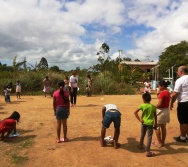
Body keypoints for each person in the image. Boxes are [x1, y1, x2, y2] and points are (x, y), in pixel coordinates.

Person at [134, 92, 157, 157]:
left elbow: (135, 112)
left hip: (143, 122)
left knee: (142, 134)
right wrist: (156, 123)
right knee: (149, 137)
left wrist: (139, 119)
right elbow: (155, 116)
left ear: (143, 99)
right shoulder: (153, 107)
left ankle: (141, 145)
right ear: (150, 99)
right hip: (150, 123)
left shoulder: (142, 105)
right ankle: (147, 151)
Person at [170, 66, 188, 142]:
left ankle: (183, 137)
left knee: (183, 121)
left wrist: (171, 102)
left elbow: (175, 93)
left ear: (181, 72)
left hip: (183, 102)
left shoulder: (180, 80)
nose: (177, 72)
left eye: (177, 71)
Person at [152, 80, 171, 148]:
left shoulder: (163, 93)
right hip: (166, 110)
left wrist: (153, 107)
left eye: (159, 86)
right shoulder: (168, 92)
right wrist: (158, 93)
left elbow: (159, 104)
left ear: (162, 86)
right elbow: (160, 98)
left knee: (156, 127)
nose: (158, 87)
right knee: (163, 127)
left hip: (161, 111)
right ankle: (162, 142)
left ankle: (159, 142)